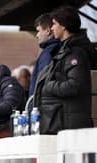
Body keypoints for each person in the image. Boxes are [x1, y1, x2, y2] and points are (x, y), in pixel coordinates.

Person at [33, 6, 95, 134]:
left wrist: (49, 86)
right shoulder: (65, 50)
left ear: (64, 26)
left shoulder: (75, 53)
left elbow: (74, 86)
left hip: (70, 125)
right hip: (63, 121)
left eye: (54, 24)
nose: (52, 28)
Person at [29, 13, 61, 96]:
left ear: (47, 31)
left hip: (41, 105)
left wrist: (33, 107)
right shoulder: (58, 48)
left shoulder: (48, 53)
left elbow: (42, 83)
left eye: (38, 31)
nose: (37, 35)